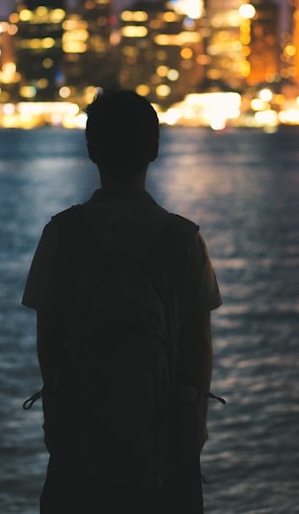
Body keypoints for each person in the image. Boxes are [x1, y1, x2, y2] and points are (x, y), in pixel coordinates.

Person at [23, 90, 222, 513]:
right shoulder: (184, 239)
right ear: (154, 149)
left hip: (81, 448)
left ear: (91, 149)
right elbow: (199, 348)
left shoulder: (61, 234)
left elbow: (48, 345)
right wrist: (192, 436)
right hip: (165, 448)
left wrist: (56, 427)